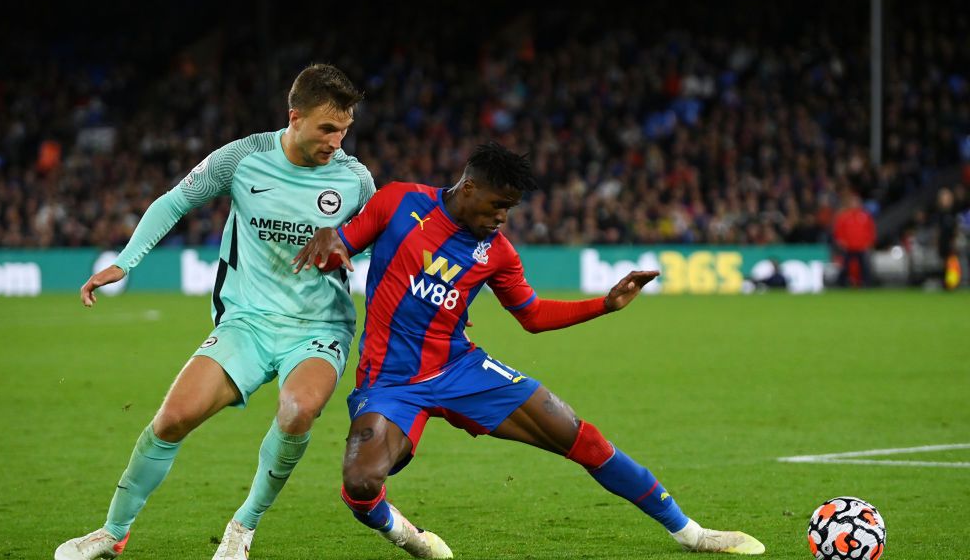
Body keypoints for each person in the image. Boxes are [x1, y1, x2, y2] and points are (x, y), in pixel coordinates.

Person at [294, 142, 765, 557]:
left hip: (461, 368)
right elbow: (343, 243)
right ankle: (412, 538)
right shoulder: (399, 201)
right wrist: (328, 239)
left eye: (511, 209)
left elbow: (533, 316)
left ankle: (690, 532)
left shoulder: (496, 252)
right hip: (390, 383)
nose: (503, 218)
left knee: (580, 434)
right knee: (360, 484)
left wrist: (605, 304)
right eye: (498, 205)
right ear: (469, 187)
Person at [55, 64, 373, 560]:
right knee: (172, 418)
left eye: (345, 129)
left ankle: (242, 528)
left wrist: (359, 257)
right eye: (327, 128)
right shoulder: (244, 158)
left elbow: (381, 247)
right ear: (295, 117)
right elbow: (175, 201)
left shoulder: (354, 180)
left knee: (298, 410)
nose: (337, 140)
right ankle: (112, 532)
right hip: (247, 321)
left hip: (319, 326)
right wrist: (124, 262)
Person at [832, 191, 876, 288]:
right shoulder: (844, 216)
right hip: (849, 246)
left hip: (861, 246)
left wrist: (869, 242)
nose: (855, 204)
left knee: (865, 267)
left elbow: (870, 230)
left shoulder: (865, 216)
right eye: (853, 202)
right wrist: (841, 241)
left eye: (856, 202)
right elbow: (838, 231)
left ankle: (867, 284)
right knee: (845, 267)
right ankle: (840, 284)